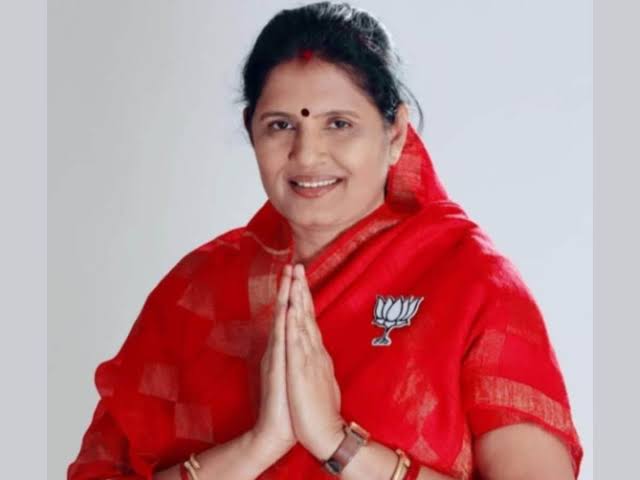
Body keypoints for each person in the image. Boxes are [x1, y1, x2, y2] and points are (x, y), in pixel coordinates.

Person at [67, 2, 583, 479]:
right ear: (252, 132)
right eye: (280, 125)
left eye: (339, 124)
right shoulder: (196, 293)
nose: (307, 155)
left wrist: (337, 443)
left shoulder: (471, 284)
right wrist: (259, 445)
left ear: (396, 134)